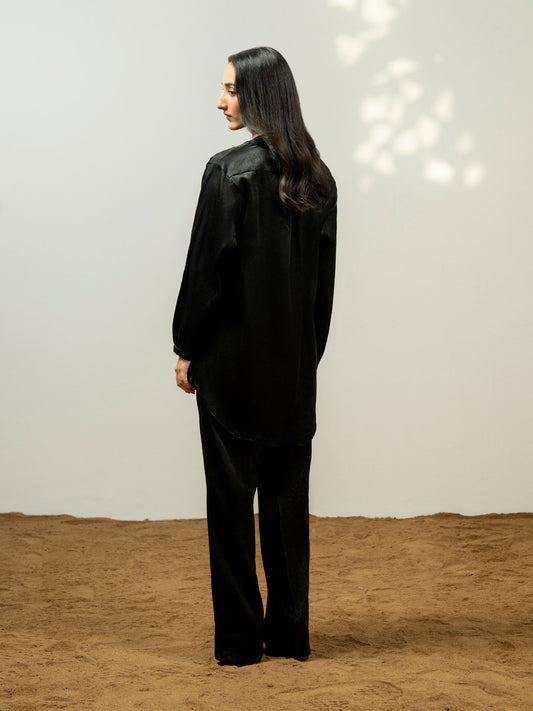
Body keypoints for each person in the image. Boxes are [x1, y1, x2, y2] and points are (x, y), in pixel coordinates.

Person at [172, 47, 337, 667]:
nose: (221, 101)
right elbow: (322, 292)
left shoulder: (228, 172)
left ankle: (241, 643)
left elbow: (204, 272)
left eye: (231, 90)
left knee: (231, 512)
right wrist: (303, 360)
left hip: (231, 376)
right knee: (288, 514)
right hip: (292, 377)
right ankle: (290, 637)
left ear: (261, 94)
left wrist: (187, 348)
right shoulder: (320, 179)